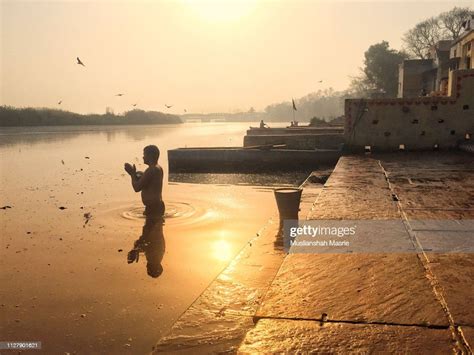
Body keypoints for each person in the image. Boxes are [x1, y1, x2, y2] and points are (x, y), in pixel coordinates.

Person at [124, 145, 165, 277]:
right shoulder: (158, 168)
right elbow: (146, 183)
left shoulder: (151, 170)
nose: (143, 157)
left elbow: (137, 187)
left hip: (153, 209)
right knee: (150, 233)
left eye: (144, 154)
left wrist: (131, 174)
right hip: (156, 207)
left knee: (148, 233)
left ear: (151, 155)